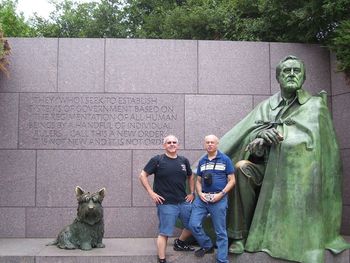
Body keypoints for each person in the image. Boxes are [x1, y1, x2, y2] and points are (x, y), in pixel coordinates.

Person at [218, 55, 350, 263]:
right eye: (286, 71)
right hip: (265, 168)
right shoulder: (267, 106)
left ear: (303, 77)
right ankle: (239, 234)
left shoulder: (315, 106)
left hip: (299, 175)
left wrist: (279, 135)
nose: (291, 74)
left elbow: (317, 146)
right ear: (278, 77)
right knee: (241, 167)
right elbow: (249, 134)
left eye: (296, 71)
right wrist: (260, 138)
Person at [139, 135, 195, 263]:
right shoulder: (157, 160)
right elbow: (142, 175)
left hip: (183, 201)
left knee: (193, 224)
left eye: (174, 142)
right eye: (169, 142)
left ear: (178, 145)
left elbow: (191, 176)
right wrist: (151, 193)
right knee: (165, 232)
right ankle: (162, 259)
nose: (172, 144)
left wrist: (192, 192)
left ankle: (180, 243)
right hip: (166, 203)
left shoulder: (183, 161)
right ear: (164, 145)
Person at [189, 134, 235, 263]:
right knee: (193, 224)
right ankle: (207, 244)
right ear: (204, 144)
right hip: (202, 199)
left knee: (220, 231)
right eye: (207, 142)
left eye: (212, 142)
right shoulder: (202, 161)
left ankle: (222, 260)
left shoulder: (225, 159)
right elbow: (198, 181)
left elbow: (232, 180)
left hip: (219, 199)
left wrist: (221, 194)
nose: (209, 144)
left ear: (217, 144)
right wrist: (200, 193)